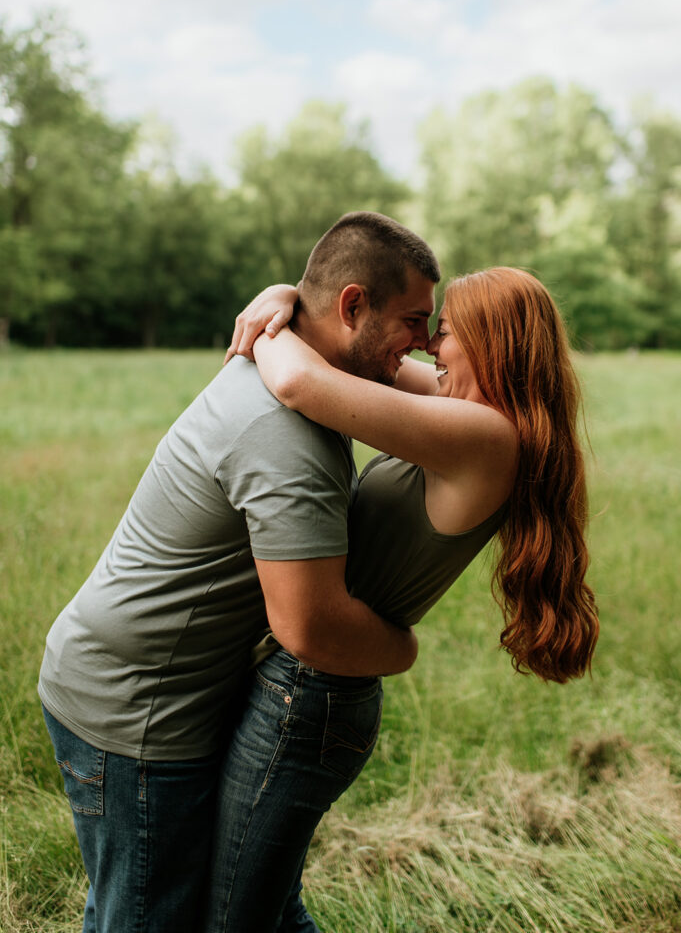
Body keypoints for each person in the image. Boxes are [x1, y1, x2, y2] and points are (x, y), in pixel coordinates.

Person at [38, 211, 441, 933]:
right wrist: (403, 647)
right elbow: (310, 627)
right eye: (414, 321)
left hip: (142, 684)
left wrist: (285, 296)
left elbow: (436, 386)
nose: (427, 344)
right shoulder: (286, 434)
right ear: (352, 306)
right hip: (135, 712)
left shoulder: (300, 371)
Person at [204, 265, 599, 932]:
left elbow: (301, 382)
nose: (426, 348)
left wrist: (262, 326)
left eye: (442, 333)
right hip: (310, 682)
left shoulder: (484, 438)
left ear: (488, 345)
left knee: (233, 920)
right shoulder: (468, 413)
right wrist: (282, 299)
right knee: (265, 909)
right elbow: (360, 367)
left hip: (310, 695)